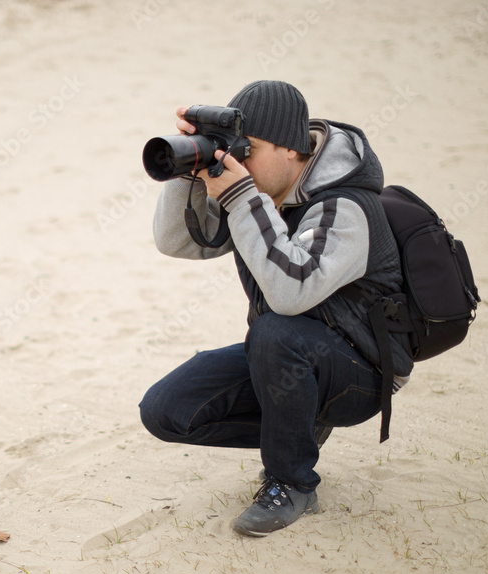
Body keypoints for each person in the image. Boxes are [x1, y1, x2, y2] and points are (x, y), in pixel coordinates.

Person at [138, 80, 414, 537]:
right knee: (167, 409)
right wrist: (190, 175)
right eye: (232, 151)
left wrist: (241, 197)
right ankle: (298, 427)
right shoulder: (256, 192)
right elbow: (177, 242)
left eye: (248, 150)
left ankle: (293, 482)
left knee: (273, 331)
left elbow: (291, 293)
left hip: (362, 372)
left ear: (291, 150)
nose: (237, 162)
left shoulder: (346, 205)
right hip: (291, 360)